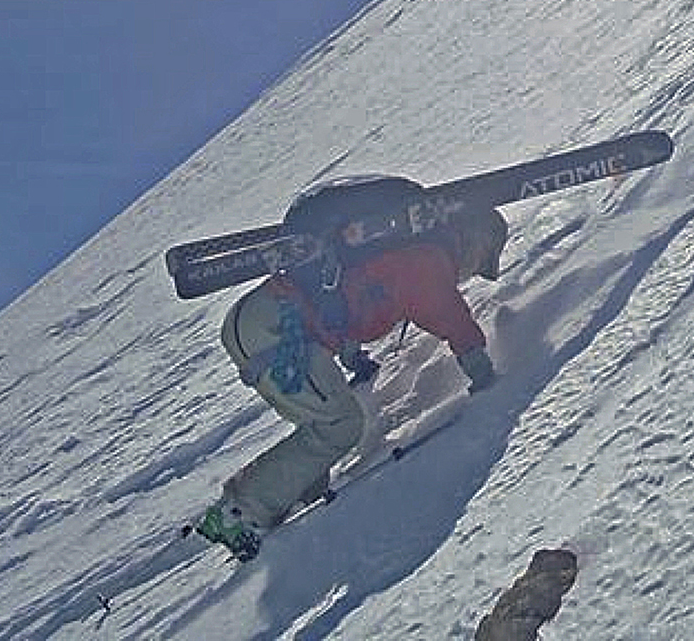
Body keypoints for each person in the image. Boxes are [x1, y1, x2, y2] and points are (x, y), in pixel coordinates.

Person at [192, 197, 509, 560]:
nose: (472, 272)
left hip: (260, 318)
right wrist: (483, 372)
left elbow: (346, 300)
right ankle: (238, 513)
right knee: (340, 425)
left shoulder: (396, 249)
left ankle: (290, 494)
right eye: (483, 260)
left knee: (322, 422)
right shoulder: (428, 258)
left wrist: (354, 357)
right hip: (277, 327)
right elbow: (449, 315)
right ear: (474, 237)